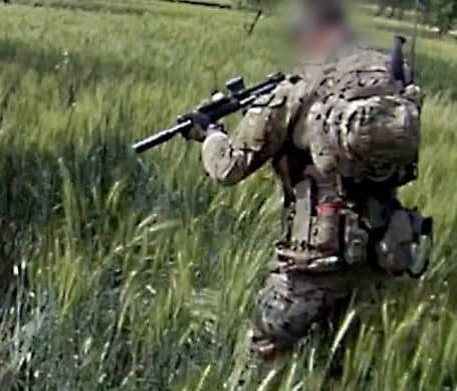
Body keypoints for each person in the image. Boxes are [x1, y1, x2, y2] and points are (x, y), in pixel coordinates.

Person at [183, 0, 432, 366]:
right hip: (380, 256)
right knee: (341, 368)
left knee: (259, 359)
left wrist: (210, 135)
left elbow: (228, 168)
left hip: (312, 263)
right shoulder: (394, 82)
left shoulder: (296, 90)